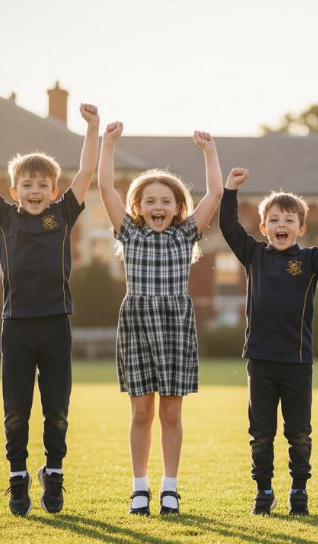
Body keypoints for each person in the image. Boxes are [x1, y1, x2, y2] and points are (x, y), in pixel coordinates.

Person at [0, 103, 99, 516]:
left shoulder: (63, 215)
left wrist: (92, 129)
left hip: (55, 326)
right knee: (16, 409)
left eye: (42, 185)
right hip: (15, 327)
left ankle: (54, 471)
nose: (34, 191)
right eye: (27, 184)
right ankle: (17, 477)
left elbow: (86, 174)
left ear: (53, 190)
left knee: (57, 410)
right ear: (15, 191)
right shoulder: (5, 217)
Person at [97, 121, 223, 515]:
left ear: (177, 207)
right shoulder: (129, 234)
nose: (158, 207)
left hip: (174, 324)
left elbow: (216, 192)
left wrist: (209, 152)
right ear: (138, 207)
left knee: (170, 411)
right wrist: (108, 143)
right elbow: (103, 186)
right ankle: (139, 487)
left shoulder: (185, 235)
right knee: (140, 411)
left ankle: (170, 487)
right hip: (137, 323)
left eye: (166, 201)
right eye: (150, 200)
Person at [218, 167, 318, 516]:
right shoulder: (254, 256)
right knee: (261, 434)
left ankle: (298, 491)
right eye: (274, 220)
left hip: (297, 363)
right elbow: (228, 228)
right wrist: (230, 190)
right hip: (261, 362)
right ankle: (263, 491)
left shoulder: (309, 261)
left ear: (301, 229)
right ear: (264, 228)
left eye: (289, 220)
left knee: (299, 434)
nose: (281, 225)